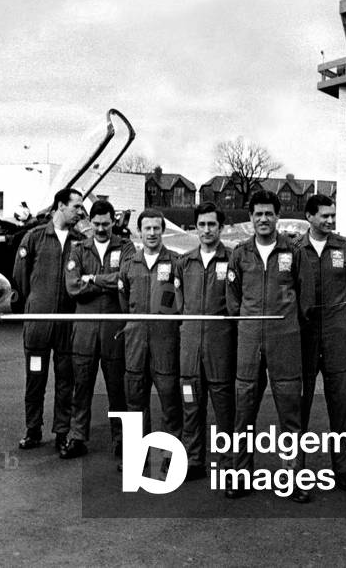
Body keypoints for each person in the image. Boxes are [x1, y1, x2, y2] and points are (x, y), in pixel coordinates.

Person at [226, 190, 310, 502]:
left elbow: (305, 298)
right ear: (250, 218)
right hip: (249, 341)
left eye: (269, 214)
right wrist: (248, 325)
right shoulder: (240, 254)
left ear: (277, 216)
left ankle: (294, 479)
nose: (263, 219)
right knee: (244, 413)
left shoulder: (294, 251)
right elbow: (232, 299)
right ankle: (241, 476)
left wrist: (288, 326)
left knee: (290, 415)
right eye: (258, 214)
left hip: (285, 340)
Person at [12, 188, 86, 453]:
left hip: (67, 323)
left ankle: (61, 432)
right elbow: (20, 277)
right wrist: (35, 303)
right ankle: (33, 429)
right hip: (39, 324)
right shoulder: (34, 237)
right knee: (35, 379)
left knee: (66, 381)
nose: (81, 212)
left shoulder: (80, 242)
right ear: (60, 206)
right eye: (76, 207)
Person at [62, 199, 135, 460]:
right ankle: (77, 437)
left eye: (106, 223)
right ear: (90, 223)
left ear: (113, 221)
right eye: (97, 224)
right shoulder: (79, 249)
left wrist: (92, 278)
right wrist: (107, 284)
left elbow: (125, 279)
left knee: (117, 388)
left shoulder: (126, 247)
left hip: (114, 328)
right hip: (85, 329)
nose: (101, 228)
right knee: (81, 385)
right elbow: (73, 287)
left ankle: (121, 439)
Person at [297, 193, 346, 490]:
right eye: (324, 215)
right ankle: (297, 470)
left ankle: (343, 469)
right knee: (299, 406)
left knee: (341, 404)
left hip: (337, 334)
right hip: (305, 335)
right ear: (309, 217)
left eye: (333, 215)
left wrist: (339, 318)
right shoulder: (295, 250)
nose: (330, 220)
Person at [175, 202, 235, 482]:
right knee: (191, 405)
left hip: (220, 347)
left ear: (221, 228)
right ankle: (193, 459)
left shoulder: (233, 259)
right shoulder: (184, 262)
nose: (207, 229)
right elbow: (177, 306)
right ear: (195, 228)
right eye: (202, 224)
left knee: (224, 408)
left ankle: (228, 463)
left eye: (212, 224)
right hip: (190, 349)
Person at [118, 209, 182, 469]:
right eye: (147, 228)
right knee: (135, 402)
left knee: (170, 400)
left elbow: (180, 303)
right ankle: (137, 455)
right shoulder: (129, 265)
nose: (152, 233)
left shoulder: (176, 262)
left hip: (165, 343)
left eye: (157, 228)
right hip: (135, 343)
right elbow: (124, 303)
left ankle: (169, 456)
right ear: (139, 232)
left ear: (162, 230)